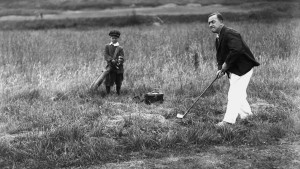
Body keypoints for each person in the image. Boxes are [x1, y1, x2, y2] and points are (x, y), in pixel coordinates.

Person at [207, 12, 260, 127]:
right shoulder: (218, 37)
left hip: (242, 68)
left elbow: (236, 50)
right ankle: (247, 115)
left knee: (234, 94)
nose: (211, 25)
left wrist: (225, 65)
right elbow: (220, 56)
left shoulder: (230, 33)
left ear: (221, 22)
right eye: (209, 23)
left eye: (213, 22)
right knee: (239, 94)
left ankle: (228, 121)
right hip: (234, 69)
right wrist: (220, 69)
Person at [104, 30, 125, 95]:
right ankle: (108, 93)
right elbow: (106, 54)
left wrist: (119, 61)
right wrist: (110, 60)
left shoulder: (120, 48)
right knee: (108, 80)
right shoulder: (107, 46)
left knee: (118, 80)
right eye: (112, 38)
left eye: (115, 38)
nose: (114, 39)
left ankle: (118, 92)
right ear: (110, 38)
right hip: (110, 66)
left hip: (118, 67)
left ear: (117, 38)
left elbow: (122, 57)